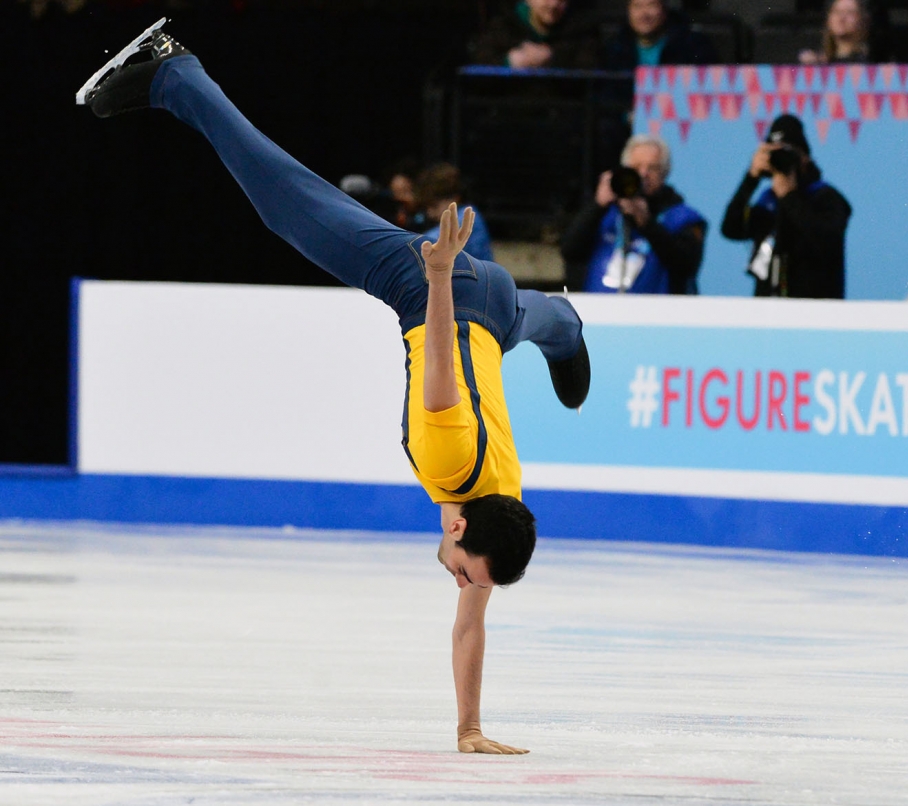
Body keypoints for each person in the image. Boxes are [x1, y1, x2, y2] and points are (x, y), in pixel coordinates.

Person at [76, 18, 591, 755]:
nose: (459, 583)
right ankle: (173, 73)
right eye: (466, 573)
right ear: (457, 529)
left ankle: (567, 327)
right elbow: (440, 365)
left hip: (503, 309)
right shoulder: (451, 467)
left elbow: (472, 621)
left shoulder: (502, 506)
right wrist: (438, 273)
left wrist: (470, 729)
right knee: (288, 205)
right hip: (439, 295)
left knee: (535, 320)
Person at [720, 114, 851, 299]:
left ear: (804, 158)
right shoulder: (767, 201)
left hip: (815, 308)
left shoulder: (827, 197)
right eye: (773, 152)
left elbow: (826, 240)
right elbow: (730, 229)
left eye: (787, 152)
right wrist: (751, 178)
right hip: (768, 307)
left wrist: (789, 197)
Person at [560, 134, 706, 295]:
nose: (643, 174)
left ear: (665, 173)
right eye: (636, 168)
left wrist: (647, 223)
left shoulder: (683, 218)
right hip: (600, 313)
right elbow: (570, 251)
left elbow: (686, 266)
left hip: (659, 314)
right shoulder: (606, 213)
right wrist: (597, 206)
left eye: (653, 168)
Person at [471, 0, 600, 69]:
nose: (554, 4)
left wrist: (553, 58)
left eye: (562, 0)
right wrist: (509, 63)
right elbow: (478, 65)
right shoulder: (504, 26)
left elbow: (591, 69)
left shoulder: (581, 30)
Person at [602, 0, 718, 70]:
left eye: (651, 5)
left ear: (664, 10)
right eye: (637, 6)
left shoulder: (694, 47)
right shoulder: (614, 49)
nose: (644, 14)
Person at [416, 163, 494, 262]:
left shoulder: (466, 217)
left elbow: (428, 244)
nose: (430, 214)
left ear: (454, 199)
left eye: (434, 206)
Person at [799, 0, 870, 65]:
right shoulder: (819, 61)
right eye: (837, 12)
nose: (841, 19)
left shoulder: (868, 61)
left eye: (850, 12)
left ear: (862, 20)